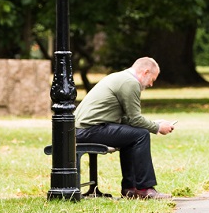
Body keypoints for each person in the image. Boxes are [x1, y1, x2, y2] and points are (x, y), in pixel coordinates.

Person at [75, 57, 175, 200]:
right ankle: (144, 188)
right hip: (88, 130)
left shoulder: (120, 77)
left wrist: (155, 123)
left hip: (83, 129)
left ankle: (130, 188)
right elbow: (135, 119)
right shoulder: (130, 83)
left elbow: (128, 120)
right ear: (145, 72)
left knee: (133, 136)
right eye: (153, 79)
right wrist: (158, 127)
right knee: (141, 135)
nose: (152, 84)